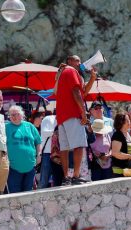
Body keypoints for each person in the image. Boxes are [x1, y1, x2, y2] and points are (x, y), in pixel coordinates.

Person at [55, 55, 97, 185]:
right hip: (73, 114)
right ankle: (76, 176)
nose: (79, 63)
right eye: (76, 60)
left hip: (62, 117)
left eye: (80, 61)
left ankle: (66, 177)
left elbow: (83, 92)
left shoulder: (64, 73)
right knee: (79, 146)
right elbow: (76, 92)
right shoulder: (71, 71)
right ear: (69, 61)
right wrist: (84, 113)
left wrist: (93, 78)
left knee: (64, 148)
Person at [5, 106, 41, 193]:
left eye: (16, 114)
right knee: (15, 195)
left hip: (30, 166)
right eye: (11, 115)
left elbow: (38, 142)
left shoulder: (30, 126)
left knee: (28, 193)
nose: (14, 117)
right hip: (13, 167)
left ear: (22, 115)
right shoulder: (5, 127)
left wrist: (39, 155)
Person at [111, 112, 131, 177]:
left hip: (130, 170)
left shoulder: (128, 134)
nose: (130, 122)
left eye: (129, 120)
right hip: (120, 172)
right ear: (121, 122)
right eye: (127, 120)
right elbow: (115, 153)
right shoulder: (117, 135)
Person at [39, 114, 57, 188]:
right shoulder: (48, 118)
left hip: (61, 153)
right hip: (47, 153)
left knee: (58, 180)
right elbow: (44, 132)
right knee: (44, 181)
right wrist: (57, 132)